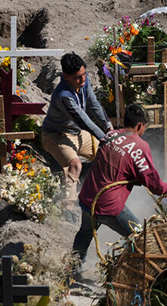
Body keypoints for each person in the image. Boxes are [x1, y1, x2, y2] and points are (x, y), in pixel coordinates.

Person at [72, 104, 167, 263]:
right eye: (144, 128)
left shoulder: (110, 136)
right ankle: (132, 276)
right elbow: (153, 183)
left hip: (88, 198)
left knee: (84, 233)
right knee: (141, 238)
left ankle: (71, 271)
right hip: (108, 206)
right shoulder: (140, 146)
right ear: (140, 125)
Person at [42, 52, 114, 202]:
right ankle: (67, 207)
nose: (82, 79)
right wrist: (104, 137)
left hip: (77, 133)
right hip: (56, 136)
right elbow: (83, 120)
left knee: (108, 153)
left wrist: (109, 128)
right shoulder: (63, 95)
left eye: (84, 74)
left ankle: (104, 196)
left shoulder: (84, 81)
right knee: (75, 165)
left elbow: (94, 105)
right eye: (77, 77)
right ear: (66, 76)